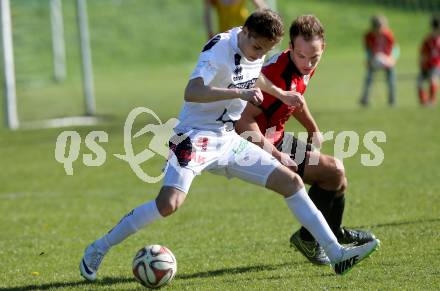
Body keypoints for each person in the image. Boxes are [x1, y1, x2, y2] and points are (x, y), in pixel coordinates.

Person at [80, 9, 379, 281]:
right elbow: (192, 91)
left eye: (266, 50)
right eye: (257, 48)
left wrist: (280, 94)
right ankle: (99, 247)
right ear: (245, 33)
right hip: (194, 136)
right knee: (168, 204)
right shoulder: (218, 50)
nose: (259, 53)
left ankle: (336, 254)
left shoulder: (256, 44)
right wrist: (238, 92)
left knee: (291, 181)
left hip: (229, 140)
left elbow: (255, 74)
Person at [235, 15, 376, 266]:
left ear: (323, 49)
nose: (308, 63)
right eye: (301, 56)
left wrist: (313, 128)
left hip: (275, 136)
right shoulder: (275, 76)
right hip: (255, 143)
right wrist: (275, 154)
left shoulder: (304, 64)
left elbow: (295, 98)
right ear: (290, 48)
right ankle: (312, 239)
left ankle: (331, 234)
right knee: (334, 172)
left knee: (336, 178)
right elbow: (244, 121)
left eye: (314, 57)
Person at [360, 15, 398, 107]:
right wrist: (369, 60)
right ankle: (365, 99)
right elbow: (367, 50)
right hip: (374, 60)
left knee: (391, 79)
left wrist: (392, 59)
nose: (381, 30)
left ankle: (392, 100)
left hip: (387, 60)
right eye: (378, 27)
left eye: (382, 27)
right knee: (368, 79)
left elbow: (395, 48)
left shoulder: (389, 35)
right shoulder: (368, 36)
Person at [418, 15, 440, 106]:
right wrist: (422, 62)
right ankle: (424, 102)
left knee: (432, 80)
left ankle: (432, 100)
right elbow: (422, 53)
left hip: (436, 65)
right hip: (426, 65)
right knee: (419, 83)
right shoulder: (428, 40)